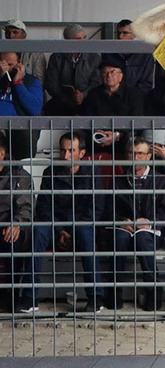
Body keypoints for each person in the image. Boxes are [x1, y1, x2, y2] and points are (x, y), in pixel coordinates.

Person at [20, 131, 104, 313]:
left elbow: (95, 209)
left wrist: (72, 230)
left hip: (80, 226)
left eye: (71, 150)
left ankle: (96, 297)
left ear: (82, 153)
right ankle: (29, 297)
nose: (65, 156)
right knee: (39, 231)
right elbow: (43, 207)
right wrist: (60, 231)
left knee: (86, 232)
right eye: (63, 150)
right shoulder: (51, 172)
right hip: (55, 226)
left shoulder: (92, 173)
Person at [103, 137, 165, 311]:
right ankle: (114, 296)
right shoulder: (118, 180)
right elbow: (108, 209)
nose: (135, 157)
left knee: (143, 239)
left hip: (153, 231)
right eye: (131, 153)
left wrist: (150, 222)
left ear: (149, 156)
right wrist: (120, 220)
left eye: (140, 154)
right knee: (119, 238)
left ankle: (153, 295)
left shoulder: (162, 180)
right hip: (125, 228)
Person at [81, 54, 146, 153]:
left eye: (112, 72)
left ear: (121, 76)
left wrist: (116, 135)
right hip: (97, 140)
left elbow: (138, 123)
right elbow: (86, 119)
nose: (109, 75)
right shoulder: (93, 95)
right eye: (105, 72)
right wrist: (98, 133)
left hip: (124, 142)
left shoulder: (134, 95)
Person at [0, 133, 32, 311]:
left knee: (14, 240)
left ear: (2, 153)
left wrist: (16, 222)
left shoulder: (19, 173)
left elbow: (26, 206)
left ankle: (10, 297)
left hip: (9, 225)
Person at [43, 24, 102, 115]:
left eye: (84, 38)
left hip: (88, 100)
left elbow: (97, 83)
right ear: (68, 41)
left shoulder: (94, 57)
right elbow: (51, 83)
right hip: (62, 100)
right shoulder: (56, 57)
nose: (83, 42)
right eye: (78, 39)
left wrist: (83, 95)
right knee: (51, 108)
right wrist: (67, 97)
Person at [0, 51, 44, 160]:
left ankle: (22, 173)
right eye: (3, 65)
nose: (6, 69)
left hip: (20, 126)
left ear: (19, 64)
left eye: (10, 65)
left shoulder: (31, 81)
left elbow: (35, 109)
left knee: (26, 135)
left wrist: (18, 84)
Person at [113, 19, 156, 94]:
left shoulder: (145, 55)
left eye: (125, 33)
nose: (120, 36)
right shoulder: (111, 54)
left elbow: (147, 83)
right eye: (118, 33)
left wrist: (132, 97)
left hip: (138, 98)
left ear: (134, 35)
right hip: (115, 98)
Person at [3, 19, 49, 84]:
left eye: (15, 32)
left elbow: (39, 82)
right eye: (7, 32)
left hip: (28, 91)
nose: (11, 36)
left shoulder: (35, 54)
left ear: (24, 35)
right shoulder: (2, 53)